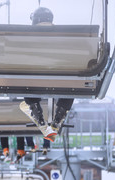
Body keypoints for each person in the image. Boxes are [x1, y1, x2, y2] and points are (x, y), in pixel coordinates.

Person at [20, 7, 74, 142]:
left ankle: (37, 112)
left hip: (34, 80)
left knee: (24, 78)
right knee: (74, 85)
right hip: (61, 80)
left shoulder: (26, 36)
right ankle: (58, 118)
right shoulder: (65, 37)